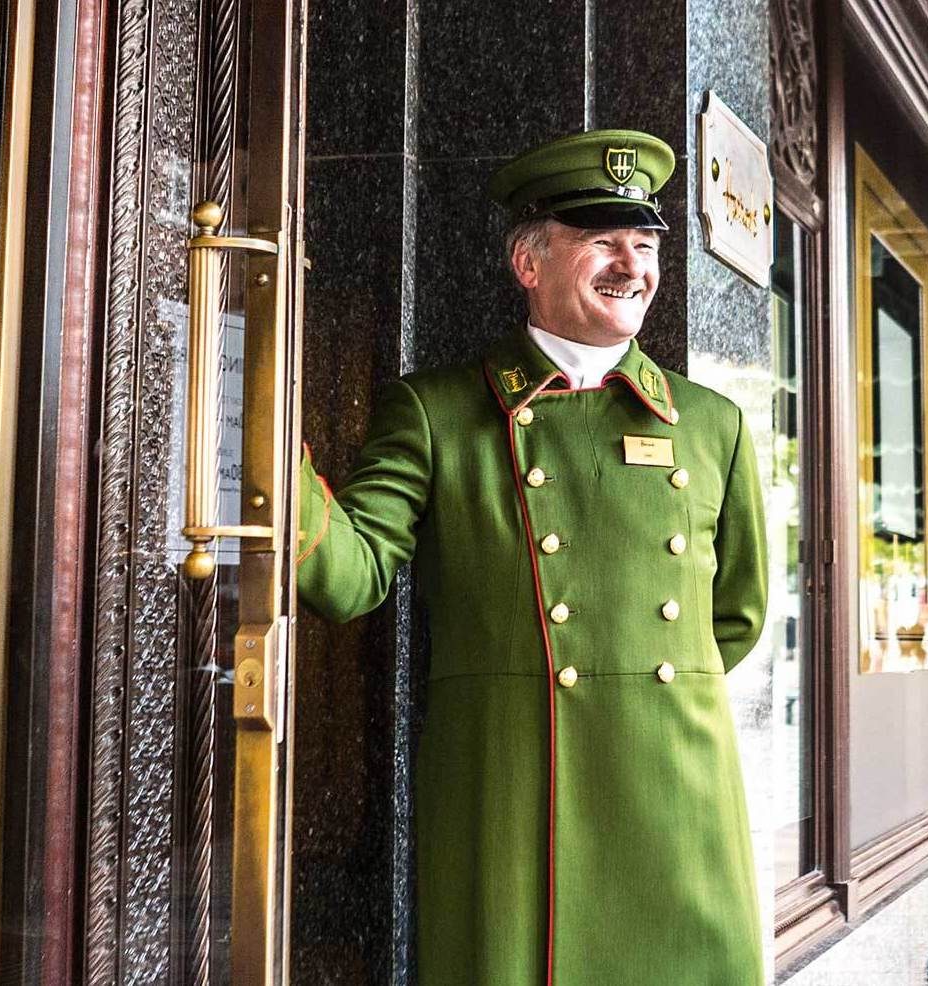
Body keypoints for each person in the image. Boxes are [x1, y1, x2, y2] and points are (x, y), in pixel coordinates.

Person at [296, 129, 768, 986]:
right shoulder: (438, 412)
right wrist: (268, 466)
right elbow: (352, 576)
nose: (632, 265)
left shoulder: (711, 423)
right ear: (530, 263)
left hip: (679, 794)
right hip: (516, 796)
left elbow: (734, 619)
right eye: (602, 243)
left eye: (645, 243)